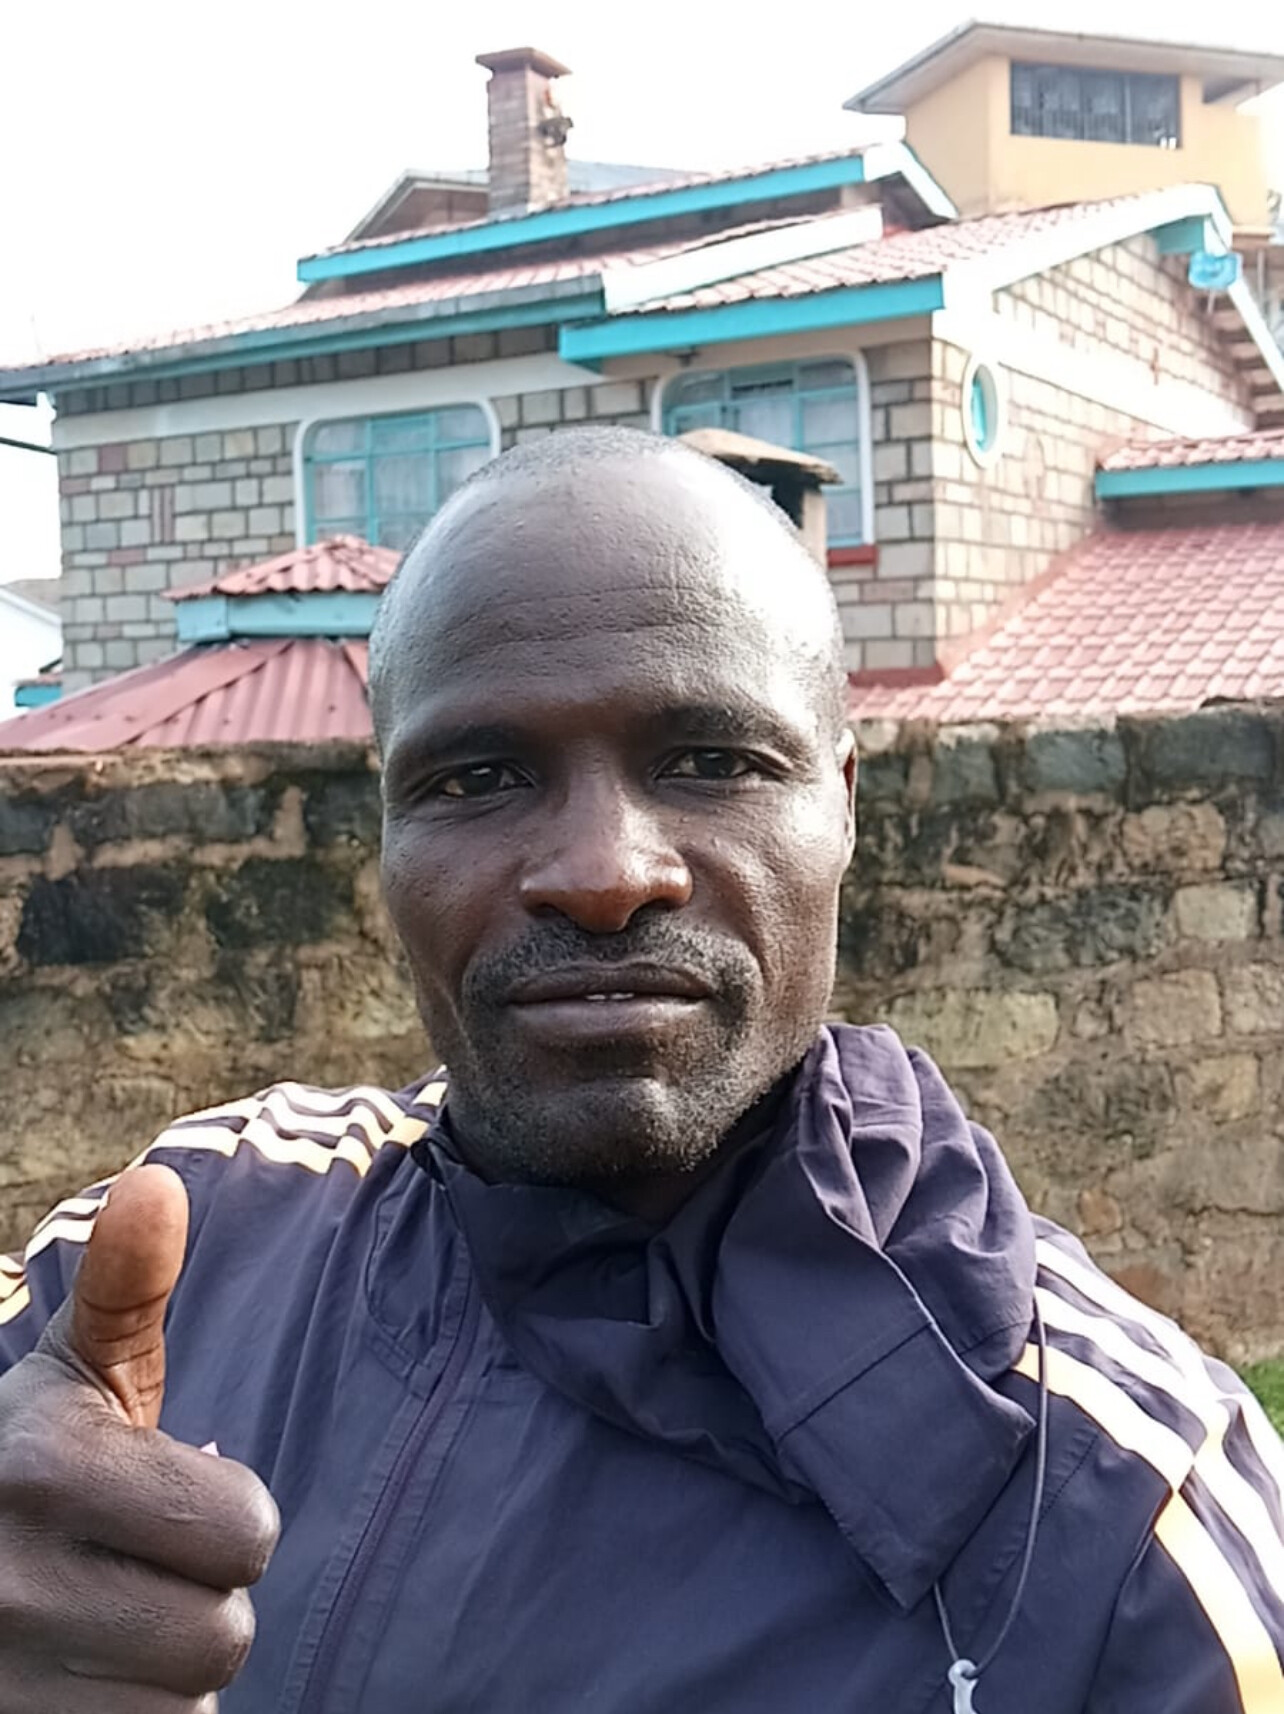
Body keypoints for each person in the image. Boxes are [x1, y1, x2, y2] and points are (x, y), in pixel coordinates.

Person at [0, 428, 1280, 1714]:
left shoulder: (1132, 1529)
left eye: (713, 762)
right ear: (386, 833)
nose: (605, 873)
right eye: (479, 777)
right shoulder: (183, 1239)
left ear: (844, 804)